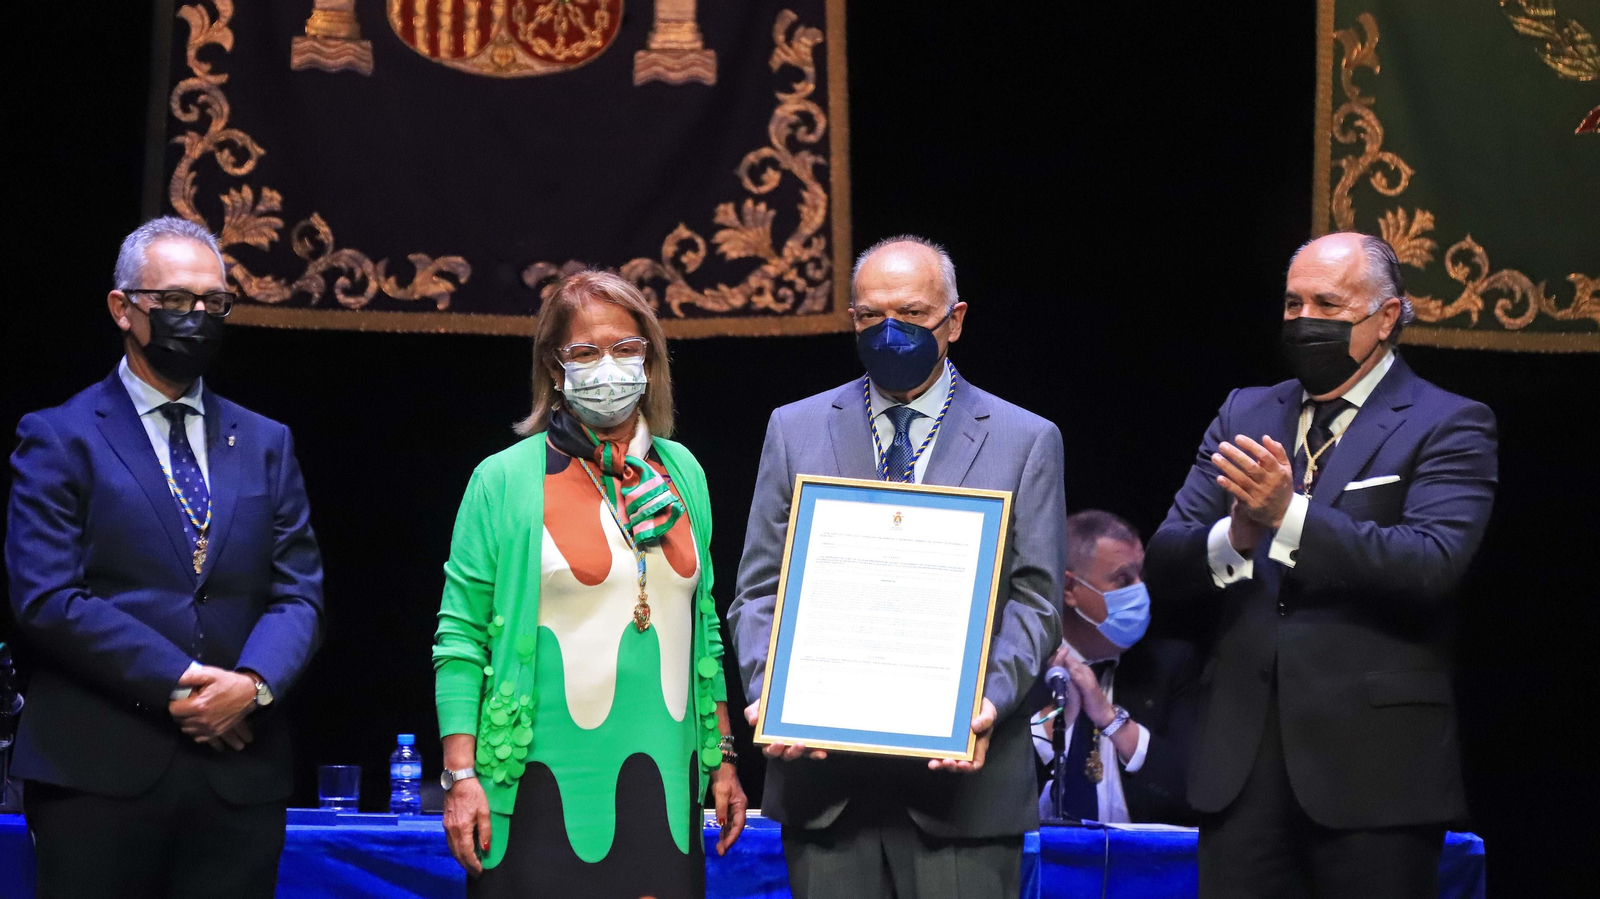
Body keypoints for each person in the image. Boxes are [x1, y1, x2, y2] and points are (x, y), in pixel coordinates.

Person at [1144, 232, 1498, 898]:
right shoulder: (1244, 410)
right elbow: (1162, 560)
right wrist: (1237, 534)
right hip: (1240, 767)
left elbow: (1432, 562)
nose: (1304, 319)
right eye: (1291, 302)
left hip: (1375, 775)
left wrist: (1290, 516)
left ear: (1386, 316)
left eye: (1326, 302)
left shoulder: (1449, 422)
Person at [728, 236, 1065, 899]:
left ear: (955, 320)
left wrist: (985, 700)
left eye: (912, 314)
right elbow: (759, 590)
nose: (890, 332)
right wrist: (776, 693)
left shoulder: (1026, 439)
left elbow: (1037, 599)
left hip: (964, 797)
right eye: (869, 316)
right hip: (826, 792)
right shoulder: (793, 429)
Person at [5, 216, 325, 898]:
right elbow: (47, 596)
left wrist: (253, 683)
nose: (199, 317)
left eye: (214, 302)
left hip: (239, 777)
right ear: (124, 308)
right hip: (97, 772)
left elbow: (299, 593)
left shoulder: (267, 441)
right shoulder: (58, 436)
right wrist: (184, 680)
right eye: (177, 301)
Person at [432, 270, 747, 898]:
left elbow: (704, 626)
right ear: (555, 366)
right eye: (585, 352)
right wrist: (460, 774)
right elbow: (460, 639)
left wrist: (724, 758)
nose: (610, 366)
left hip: (665, 776)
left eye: (627, 348)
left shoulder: (683, 472)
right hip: (533, 782)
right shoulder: (502, 480)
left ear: (651, 360)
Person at [1031, 510, 1200, 826]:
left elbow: (1192, 794)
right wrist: (1057, 719)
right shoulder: (1021, 664)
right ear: (1069, 588)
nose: (1140, 591)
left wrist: (1111, 719)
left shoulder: (1171, 665)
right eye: (1123, 580)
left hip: (1140, 867)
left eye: (1140, 577)